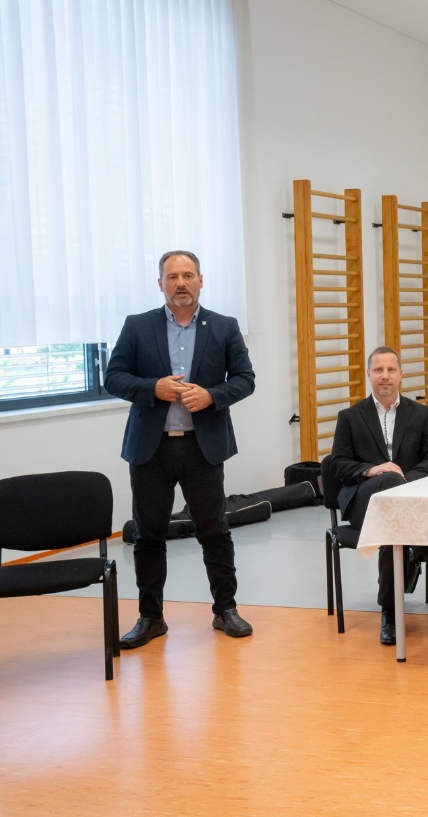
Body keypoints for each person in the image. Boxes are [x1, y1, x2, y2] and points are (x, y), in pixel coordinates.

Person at [107, 251, 256, 649]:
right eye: (172, 276)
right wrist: (151, 388)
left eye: (188, 275)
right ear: (160, 284)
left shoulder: (224, 326)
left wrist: (211, 396)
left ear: (201, 280)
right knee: (148, 536)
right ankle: (150, 617)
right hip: (150, 449)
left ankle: (225, 609)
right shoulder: (138, 326)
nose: (181, 283)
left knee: (214, 531)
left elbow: (245, 379)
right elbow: (114, 377)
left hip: (201, 448)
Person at [328, 346, 428, 645]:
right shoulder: (350, 417)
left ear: (400, 374)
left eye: (391, 370)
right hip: (363, 501)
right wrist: (373, 470)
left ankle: (389, 612)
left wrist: (402, 484)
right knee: (387, 481)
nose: (384, 376)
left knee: (392, 530)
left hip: (405, 505)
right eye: (378, 370)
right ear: (369, 374)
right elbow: (338, 464)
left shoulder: (421, 414)